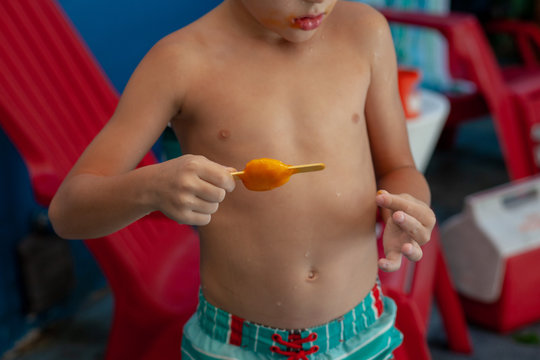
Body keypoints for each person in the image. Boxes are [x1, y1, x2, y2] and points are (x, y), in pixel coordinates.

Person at [49, 0, 435, 358]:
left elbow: (399, 167)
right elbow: (68, 213)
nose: (316, 1)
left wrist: (406, 211)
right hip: (234, 344)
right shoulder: (180, 62)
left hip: (362, 331)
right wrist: (151, 188)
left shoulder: (365, 32)